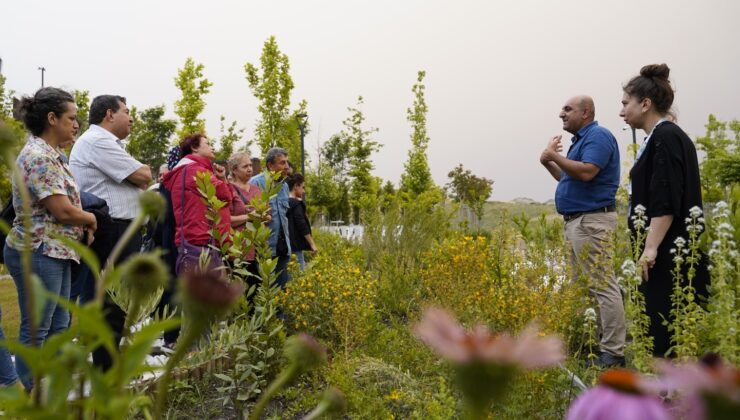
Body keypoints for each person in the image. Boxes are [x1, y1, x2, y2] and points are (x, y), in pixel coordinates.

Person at [3, 87, 97, 389]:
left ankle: (50, 387)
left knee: (59, 324)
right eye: (71, 118)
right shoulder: (38, 156)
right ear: (52, 118)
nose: (76, 124)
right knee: (38, 327)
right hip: (38, 249)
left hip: (56, 250)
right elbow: (62, 210)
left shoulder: (54, 155)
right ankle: (32, 393)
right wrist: (91, 218)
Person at [620, 63, 709, 357]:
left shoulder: (666, 137)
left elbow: (665, 200)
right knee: (663, 326)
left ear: (645, 104)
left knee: (662, 327)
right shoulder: (661, 137)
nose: (622, 112)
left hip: (668, 252)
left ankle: (666, 396)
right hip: (666, 249)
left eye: (625, 103)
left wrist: (650, 248)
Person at [540, 95, 626, 368]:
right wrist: (549, 162)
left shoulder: (598, 136)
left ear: (585, 112)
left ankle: (613, 352)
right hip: (578, 222)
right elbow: (570, 176)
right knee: (582, 287)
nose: (561, 114)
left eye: (567, 109)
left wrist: (554, 155)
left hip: (592, 222)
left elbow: (588, 172)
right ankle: (592, 344)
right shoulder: (581, 141)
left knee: (602, 286)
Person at [70, 94, 152, 371]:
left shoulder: (108, 143)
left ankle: (107, 360)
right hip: (112, 229)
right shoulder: (98, 141)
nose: (131, 118)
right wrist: (138, 174)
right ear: (109, 114)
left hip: (117, 227)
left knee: (112, 298)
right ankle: (106, 367)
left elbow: (140, 177)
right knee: (110, 299)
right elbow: (144, 176)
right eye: (127, 112)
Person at [162, 134, 232, 276]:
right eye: (208, 143)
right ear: (194, 148)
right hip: (200, 242)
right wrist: (222, 179)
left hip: (195, 241)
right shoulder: (195, 170)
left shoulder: (185, 170)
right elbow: (225, 196)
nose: (212, 147)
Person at [249, 147, 291, 288]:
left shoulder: (284, 186)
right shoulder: (255, 183)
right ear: (270, 165)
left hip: (283, 249)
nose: (286, 166)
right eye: (282, 163)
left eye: (287, 162)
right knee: (265, 290)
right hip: (265, 249)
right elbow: (249, 215)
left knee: (282, 291)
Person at [227, 152, 261, 281]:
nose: (250, 169)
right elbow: (226, 220)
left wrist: (264, 216)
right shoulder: (228, 189)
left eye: (251, 165)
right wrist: (250, 217)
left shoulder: (256, 189)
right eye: (245, 166)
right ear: (234, 170)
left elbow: (268, 215)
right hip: (237, 251)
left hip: (256, 249)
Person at [286, 174, 318, 271]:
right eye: (302, 187)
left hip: (285, 246)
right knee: (299, 276)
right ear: (296, 186)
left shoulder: (283, 203)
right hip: (296, 246)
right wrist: (312, 244)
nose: (303, 191)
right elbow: (302, 225)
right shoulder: (297, 205)